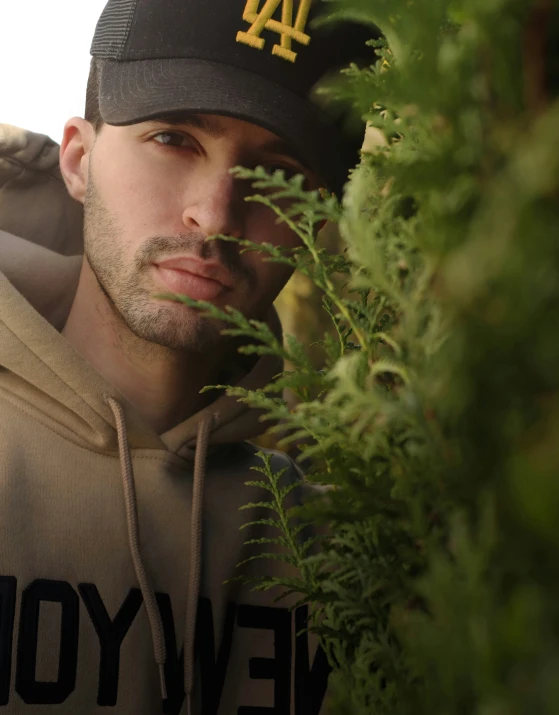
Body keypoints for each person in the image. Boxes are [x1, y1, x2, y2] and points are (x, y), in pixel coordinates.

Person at [0, 0, 372, 712]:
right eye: (174, 138)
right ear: (79, 160)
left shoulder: (341, 557)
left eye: (277, 171)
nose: (216, 212)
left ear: (315, 226)